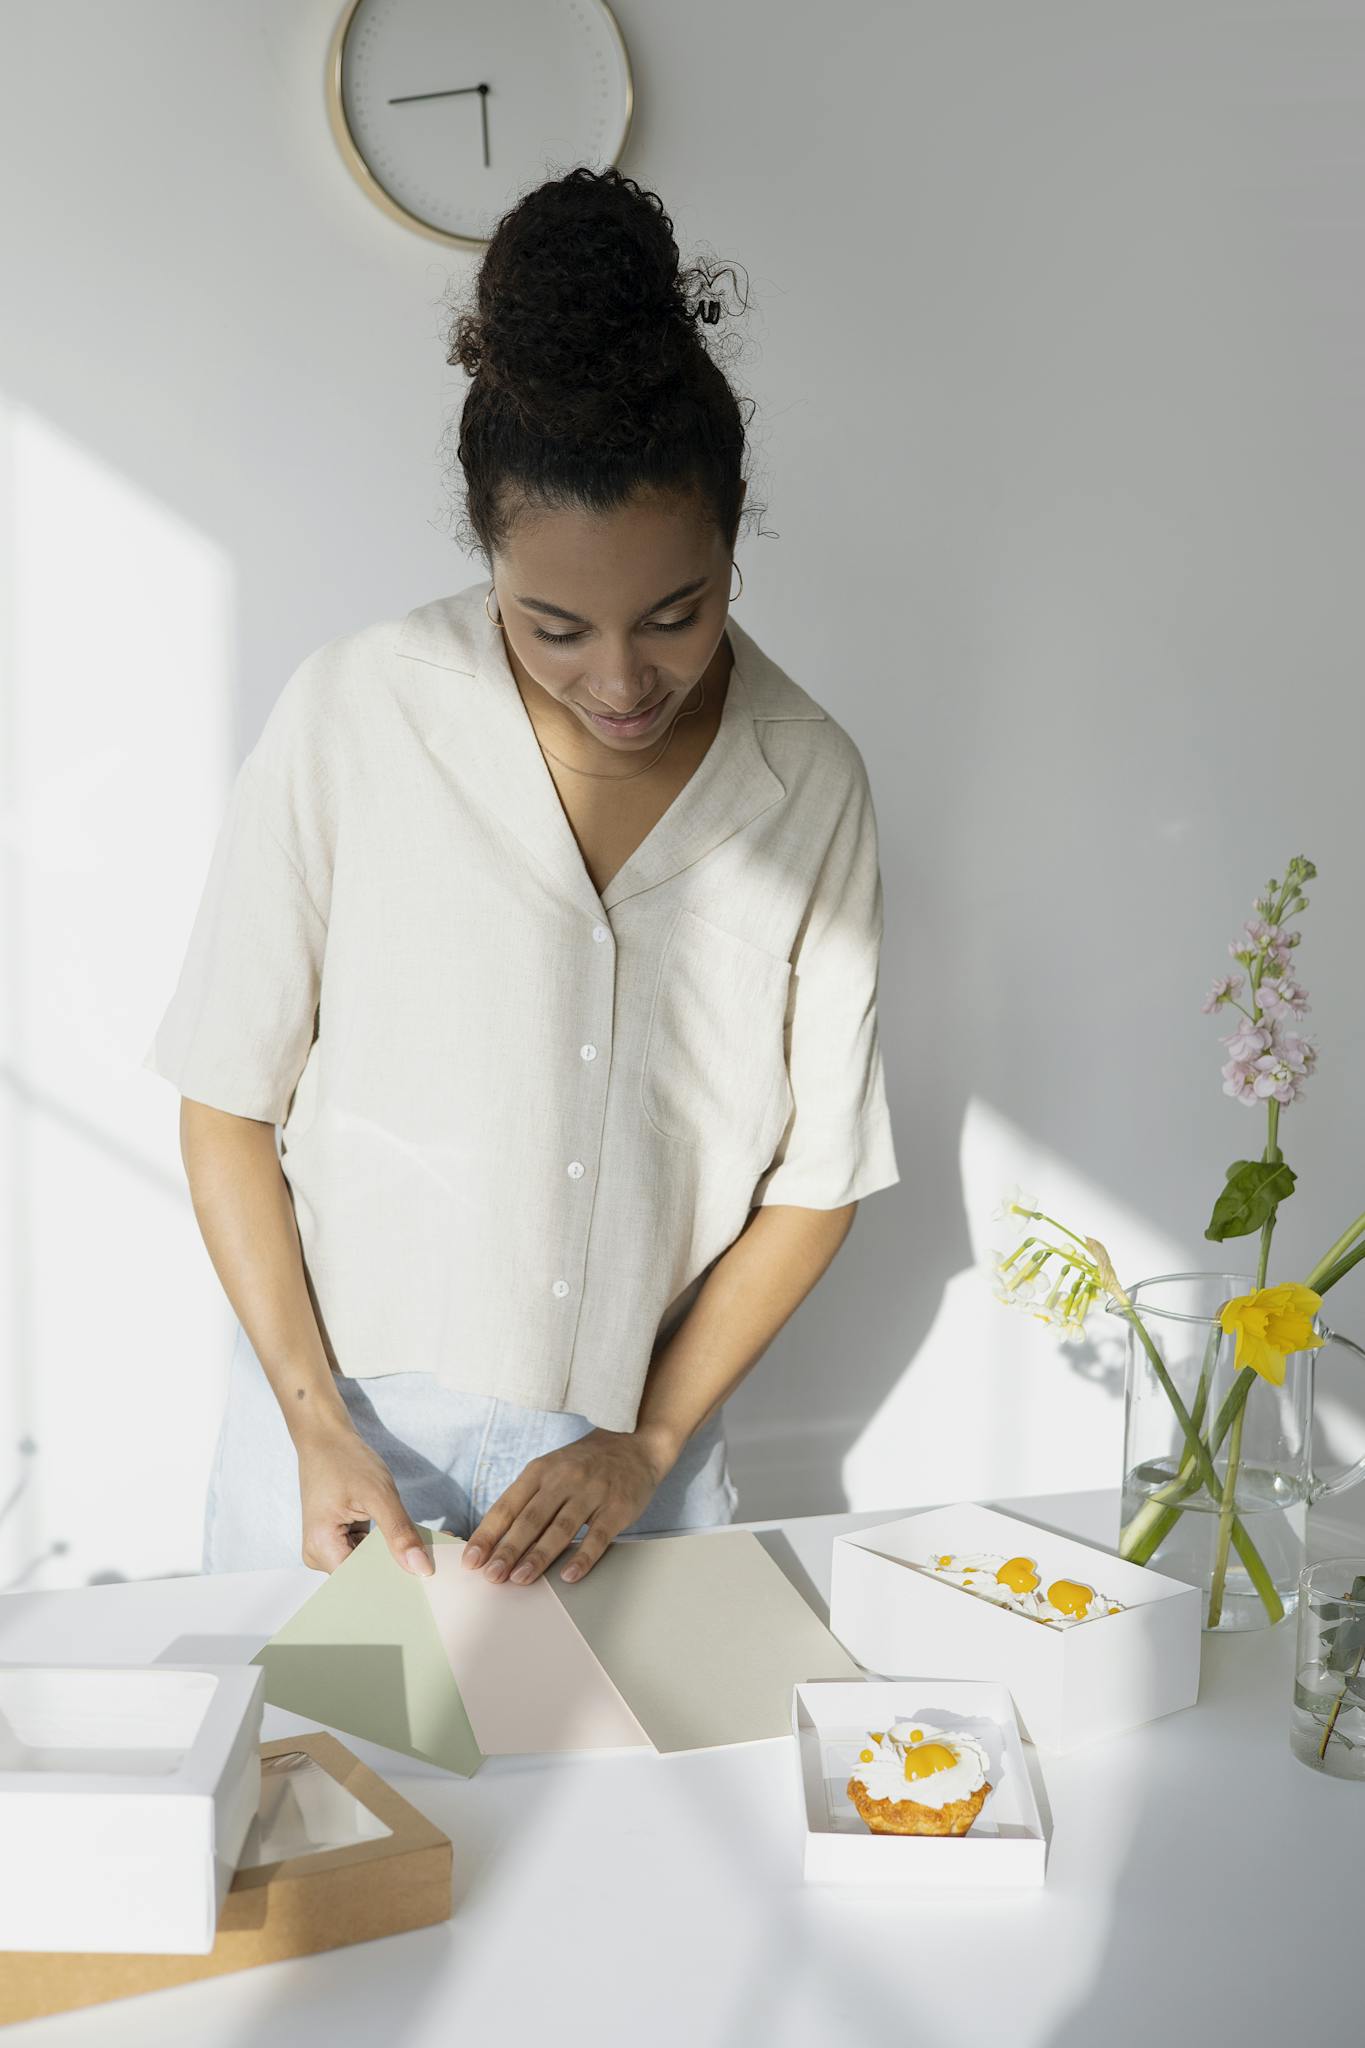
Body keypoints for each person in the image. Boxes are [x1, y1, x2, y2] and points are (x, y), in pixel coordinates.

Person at [142, 165, 900, 1591]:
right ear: (487, 557)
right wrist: (315, 1427)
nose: (620, 679)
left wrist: (644, 1442)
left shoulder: (810, 782)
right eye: (551, 625)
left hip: (627, 1480)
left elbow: (817, 1180)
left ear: (734, 548)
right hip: (342, 1456)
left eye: (675, 614)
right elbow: (227, 1099)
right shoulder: (358, 711)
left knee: (649, 1817)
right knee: (330, 1812)